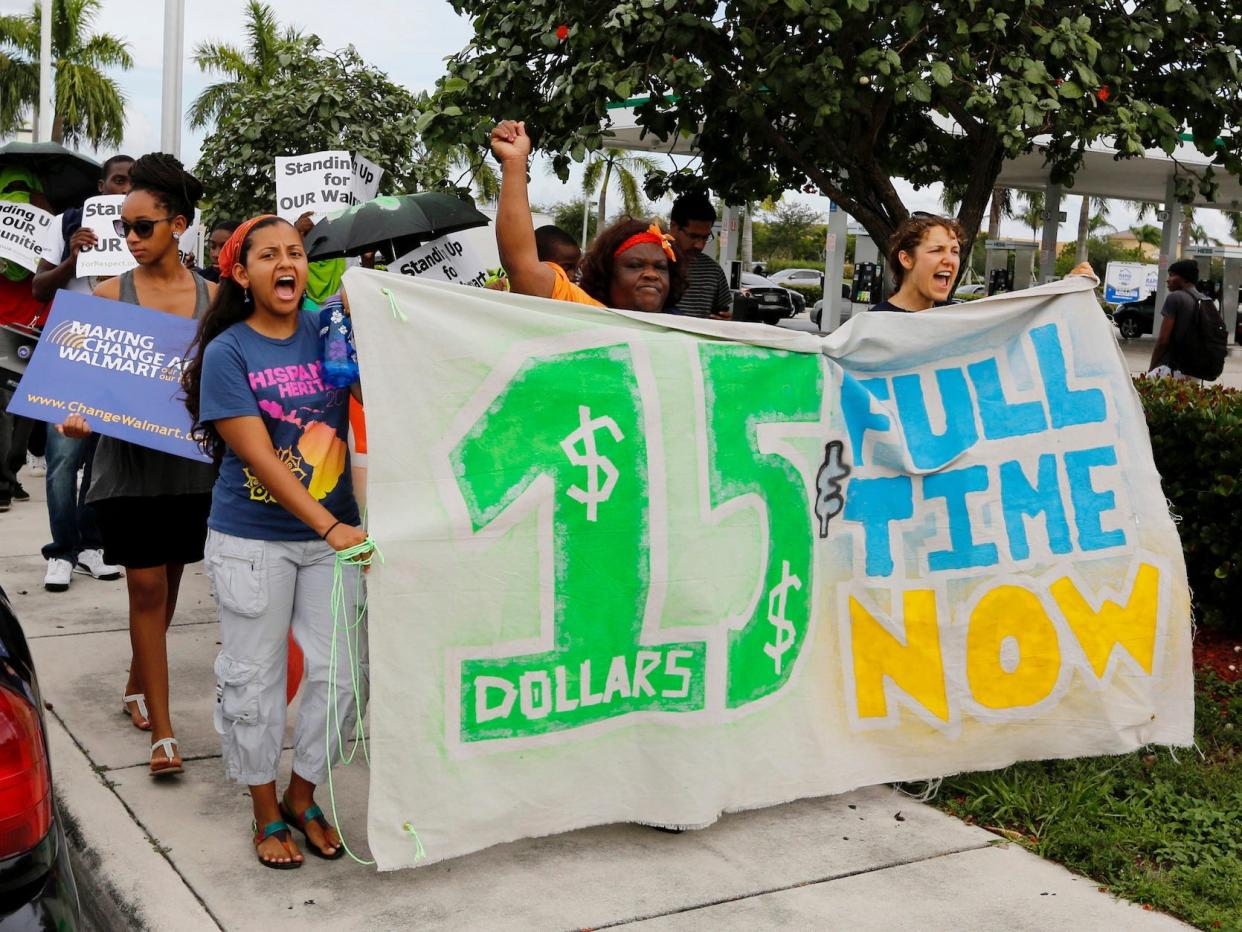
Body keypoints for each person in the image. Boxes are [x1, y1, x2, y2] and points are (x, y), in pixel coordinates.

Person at [182, 214, 369, 870]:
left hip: (331, 540)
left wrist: (371, 299)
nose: (286, 262)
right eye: (268, 255)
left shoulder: (331, 330)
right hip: (254, 541)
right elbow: (259, 456)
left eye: (295, 252)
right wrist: (329, 525)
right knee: (254, 680)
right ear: (240, 273)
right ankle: (264, 808)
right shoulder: (228, 352)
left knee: (342, 674)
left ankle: (303, 796)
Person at [57, 153, 218, 771]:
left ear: (178, 224)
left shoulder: (215, 299)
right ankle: (164, 731)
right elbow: (75, 385)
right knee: (146, 584)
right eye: (125, 227)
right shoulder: (107, 294)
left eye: (142, 226)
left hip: (189, 466)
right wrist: (74, 412)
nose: (129, 238)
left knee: (169, 581)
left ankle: (136, 684)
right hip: (125, 466)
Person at [27, 155, 133, 589]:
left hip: (117, 352)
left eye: (133, 182)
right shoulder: (65, 224)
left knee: (101, 460)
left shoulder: (143, 231)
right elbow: (38, 289)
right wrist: (74, 259)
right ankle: (61, 551)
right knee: (63, 458)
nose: (125, 189)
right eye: (119, 181)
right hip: (69, 349)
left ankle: (91, 546)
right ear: (101, 185)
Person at [491, 120, 685, 312]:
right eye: (635, 265)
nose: (651, 275)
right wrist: (514, 161)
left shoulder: (687, 331)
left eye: (661, 267)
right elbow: (523, 267)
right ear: (608, 275)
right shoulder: (584, 311)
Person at [871, 214, 1092, 314]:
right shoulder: (870, 328)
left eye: (955, 251)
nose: (949, 260)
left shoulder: (959, 320)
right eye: (937, 250)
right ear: (906, 259)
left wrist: (1068, 289)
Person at [668, 192, 732, 319]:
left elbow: (722, 313)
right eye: (693, 236)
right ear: (674, 227)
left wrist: (726, 321)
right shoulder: (653, 262)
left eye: (705, 237)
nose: (700, 245)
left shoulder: (713, 270)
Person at [1149, 259, 1213, 379]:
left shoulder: (1175, 298)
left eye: (1172, 275)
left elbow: (1163, 340)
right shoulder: (1204, 300)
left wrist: (1152, 367)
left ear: (1184, 278)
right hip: (1195, 371)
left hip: (1172, 367)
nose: (1168, 279)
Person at [197, 219, 241, 283]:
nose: (215, 254)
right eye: (213, 246)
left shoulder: (253, 284)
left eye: (224, 248)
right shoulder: (200, 281)